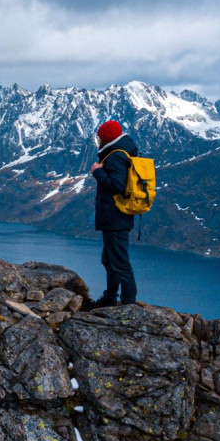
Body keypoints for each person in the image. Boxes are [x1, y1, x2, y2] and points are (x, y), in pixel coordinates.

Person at [88, 120, 138, 307]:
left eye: (100, 137)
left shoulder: (116, 155)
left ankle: (128, 303)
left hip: (116, 217)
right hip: (115, 216)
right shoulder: (119, 152)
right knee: (110, 260)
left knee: (119, 262)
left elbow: (117, 185)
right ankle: (110, 296)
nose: (98, 140)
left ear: (106, 138)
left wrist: (97, 172)